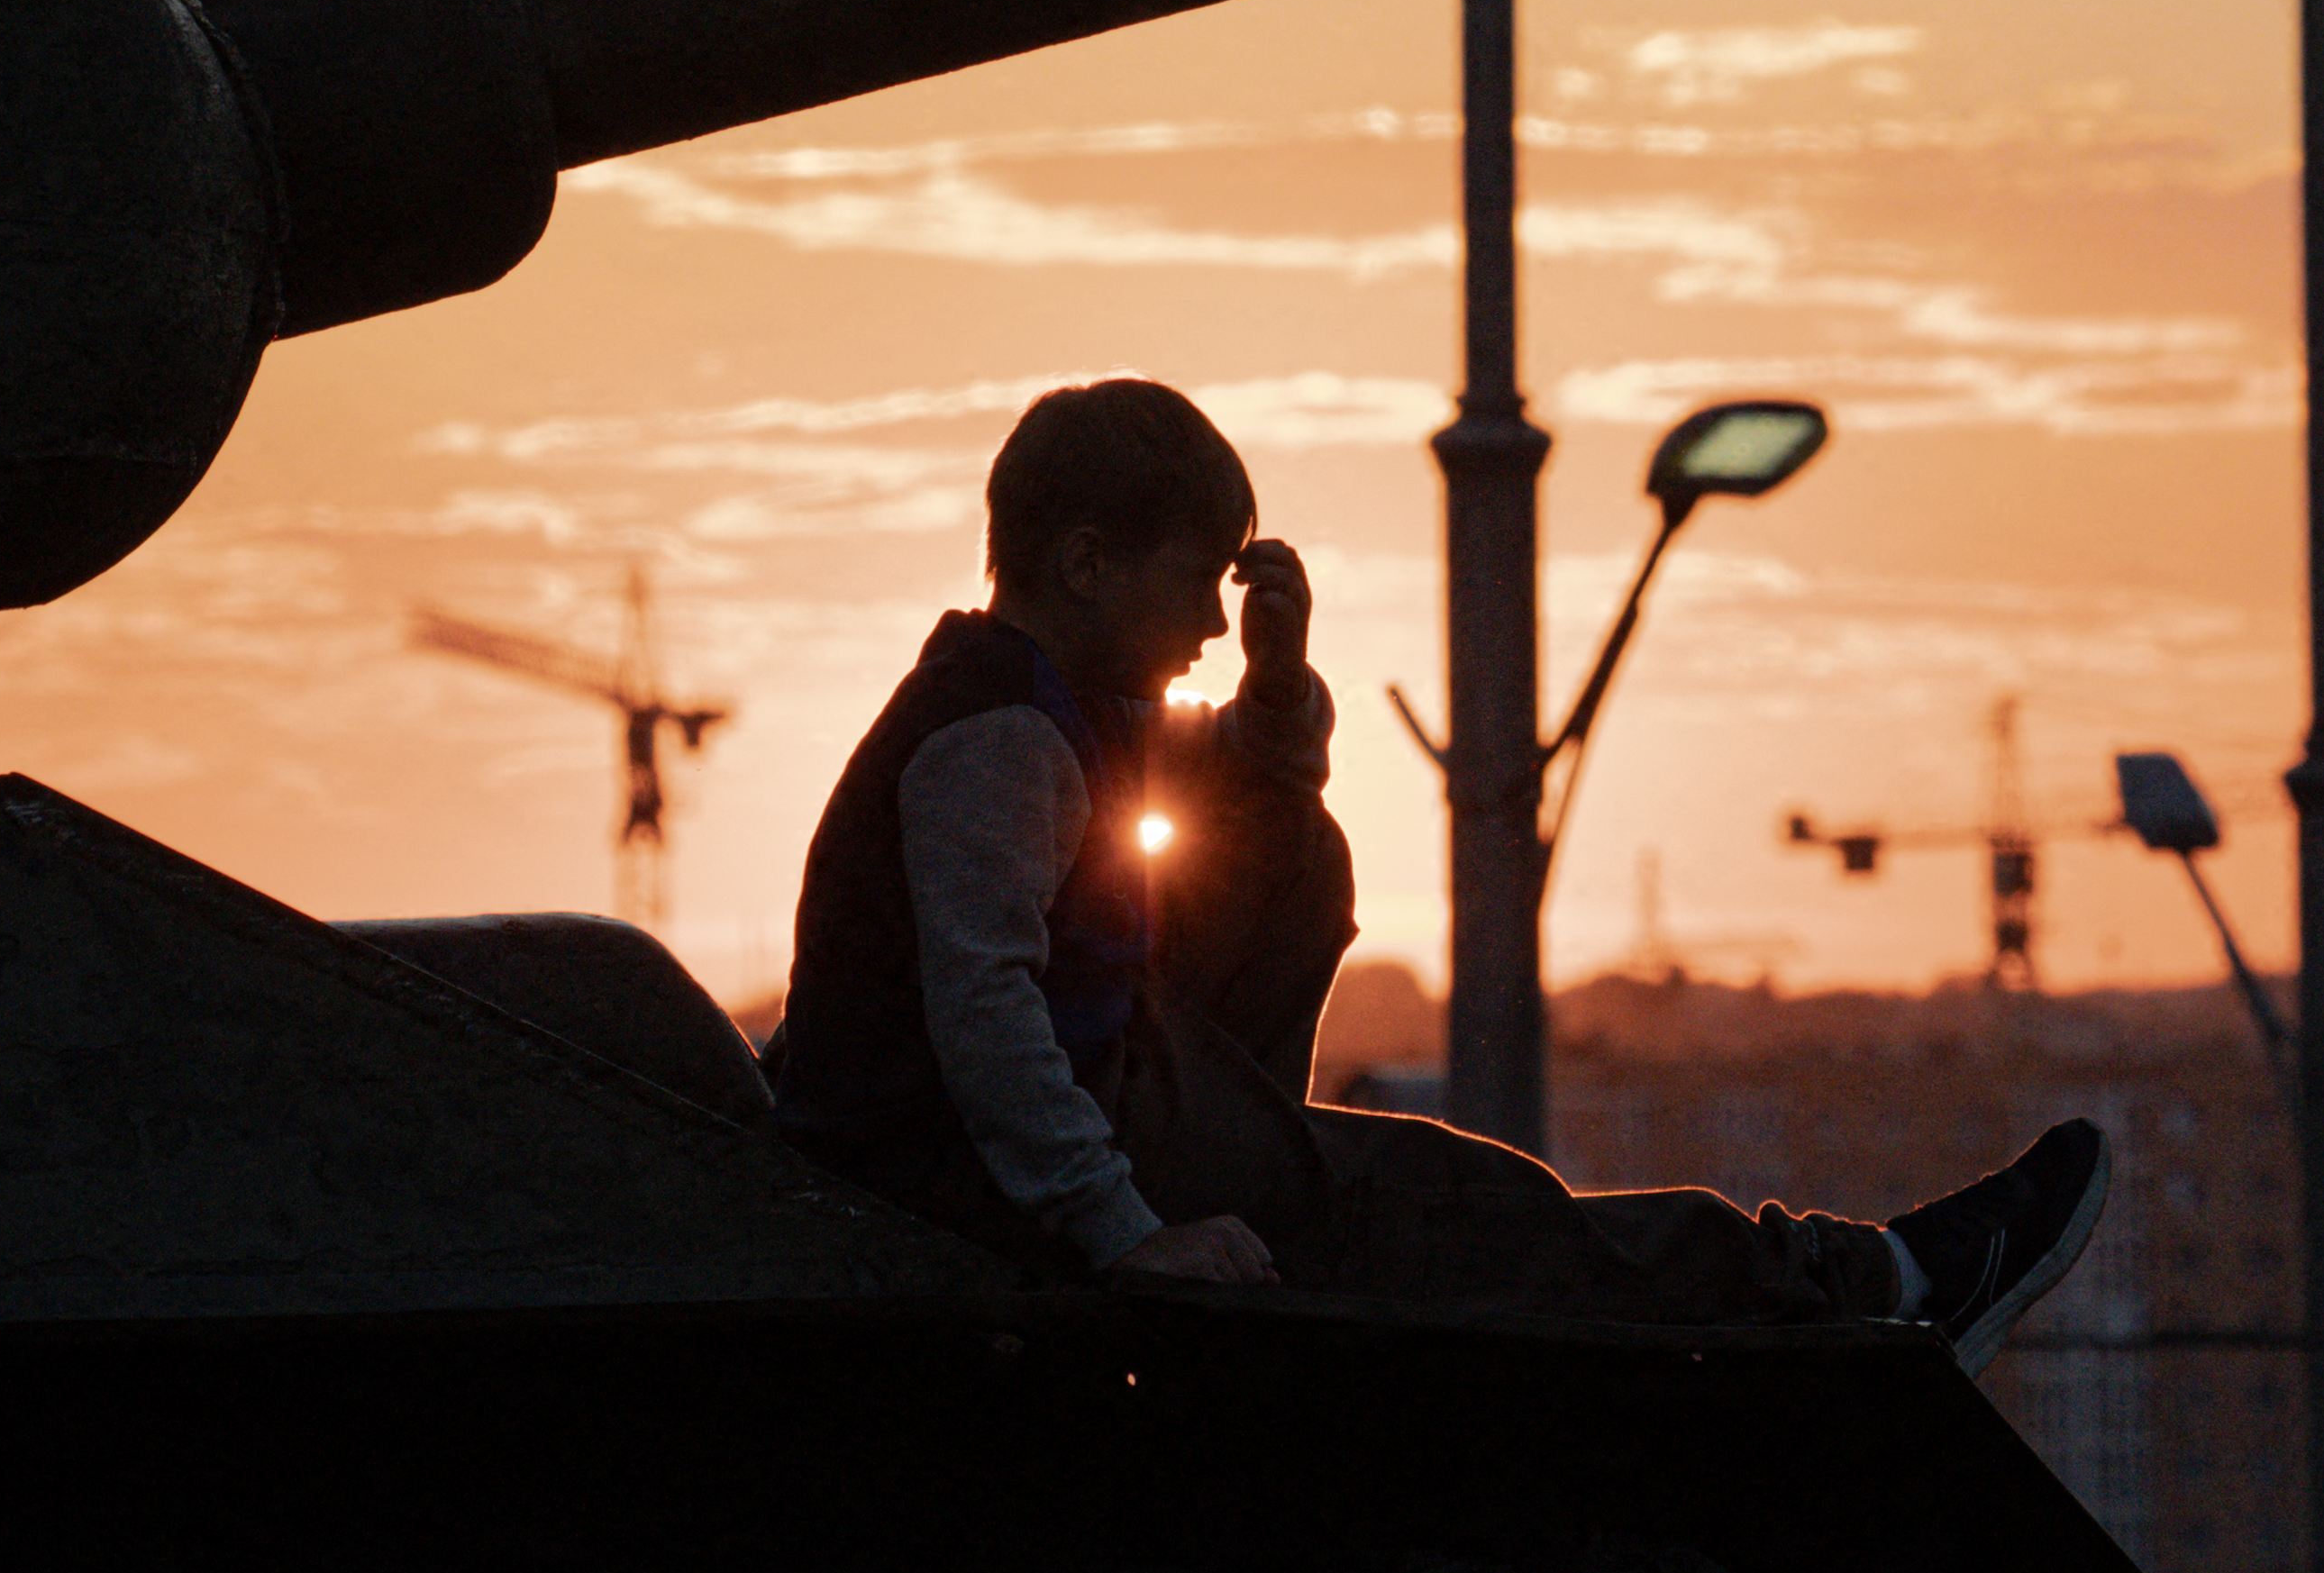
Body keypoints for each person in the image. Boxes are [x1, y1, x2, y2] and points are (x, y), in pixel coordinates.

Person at [768, 379, 2110, 1346]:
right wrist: (1123, 1233)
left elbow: (1241, 799)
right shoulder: (994, 740)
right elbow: (986, 1018)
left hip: (1075, 1128)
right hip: (963, 1176)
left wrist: (1277, 680)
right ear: (1082, 563)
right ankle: (1858, 1286)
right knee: (1458, 1209)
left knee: (1298, 851)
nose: (1204, 622)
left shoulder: (1063, 708)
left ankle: (1273, 1164)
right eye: (1196, 582)